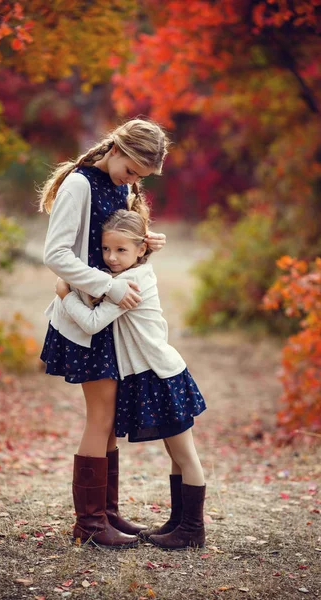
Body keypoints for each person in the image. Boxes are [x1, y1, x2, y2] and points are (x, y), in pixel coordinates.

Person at [39, 119, 169, 549]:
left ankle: (106, 513)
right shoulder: (80, 184)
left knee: (108, 418)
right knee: (101, 416)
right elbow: (56, 253)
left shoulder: (119, 184)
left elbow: (103, 240)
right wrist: (109, 286)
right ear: (117, 148)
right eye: (132, 171)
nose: (133, 181)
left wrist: (140, 240)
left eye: (140, 178)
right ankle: (90, 524)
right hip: (86, 316)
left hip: (107, 319)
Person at [55, 209, 207, 550]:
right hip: (155, 374)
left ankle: (193, 529)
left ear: (141, 249)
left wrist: (65, 295)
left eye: (121, 250)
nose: (111, 257)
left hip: (164, 375)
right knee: (174, 452)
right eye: (107, 249)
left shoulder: (129, 283)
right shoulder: (135, 271)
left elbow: (92, 322)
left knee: (185, 455)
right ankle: (178, 522)